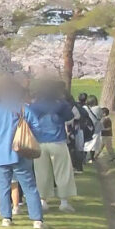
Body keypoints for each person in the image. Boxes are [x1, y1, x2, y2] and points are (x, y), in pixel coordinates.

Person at [0, 78, 44, 229]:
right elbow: (38, 129)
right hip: (22, 153)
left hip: (1, 155)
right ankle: (37, 219)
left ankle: (6, 218)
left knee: (3, 187)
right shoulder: (24, 109)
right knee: (29, 187)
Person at [30, 81, 78, 213]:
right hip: (58, 141)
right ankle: (64, 202)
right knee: (62, 172)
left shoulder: (35, 106)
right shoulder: (61, 104)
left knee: (41, 172)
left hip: (40, 142)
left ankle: (43, 201)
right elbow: (70, 117)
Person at [83, 95, 104, 162]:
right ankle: (92, 158)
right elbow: (101, 116)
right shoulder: (98, 108)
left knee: (86, 144)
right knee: (94, 144)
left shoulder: (85, 108)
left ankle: (84, 158)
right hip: (96, 129)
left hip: (88, 128)